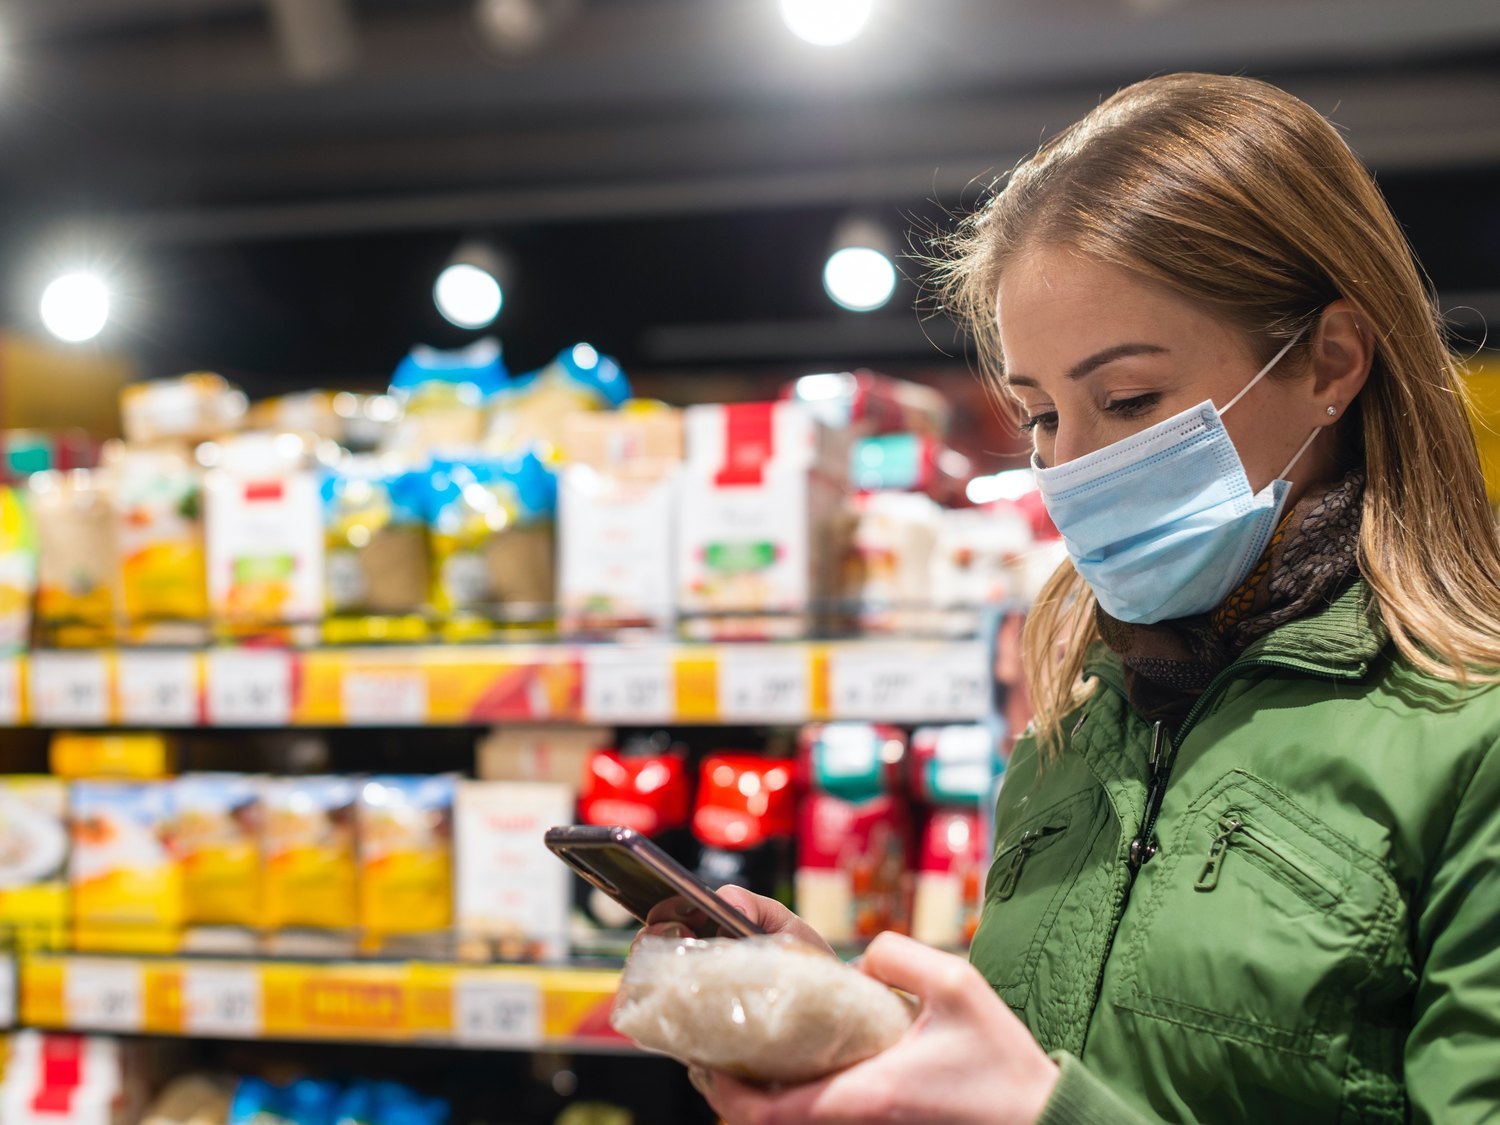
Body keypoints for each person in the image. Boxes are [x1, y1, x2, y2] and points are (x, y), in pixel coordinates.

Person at [634, 71, 1500, 1123]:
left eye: (1128, 400)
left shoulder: (1473, 742)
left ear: (1330, 359)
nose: (1073, 470)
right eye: (1041, 417)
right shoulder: (1079, 724)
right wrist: (857, 1035)